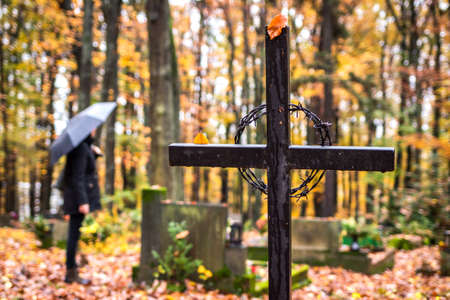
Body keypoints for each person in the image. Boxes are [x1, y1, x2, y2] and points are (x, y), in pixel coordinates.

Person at [62, 130, 101, 284]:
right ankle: (70, 272)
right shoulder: (80, 148)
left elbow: (86, 171)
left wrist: (94, 154)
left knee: (75, 235)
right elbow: (78, 177)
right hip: (77, 200)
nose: (95, 130)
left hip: (76, 198)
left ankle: (72, 270)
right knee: (73, 236)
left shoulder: (83, 147)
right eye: (93, 128)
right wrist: (82, 201)